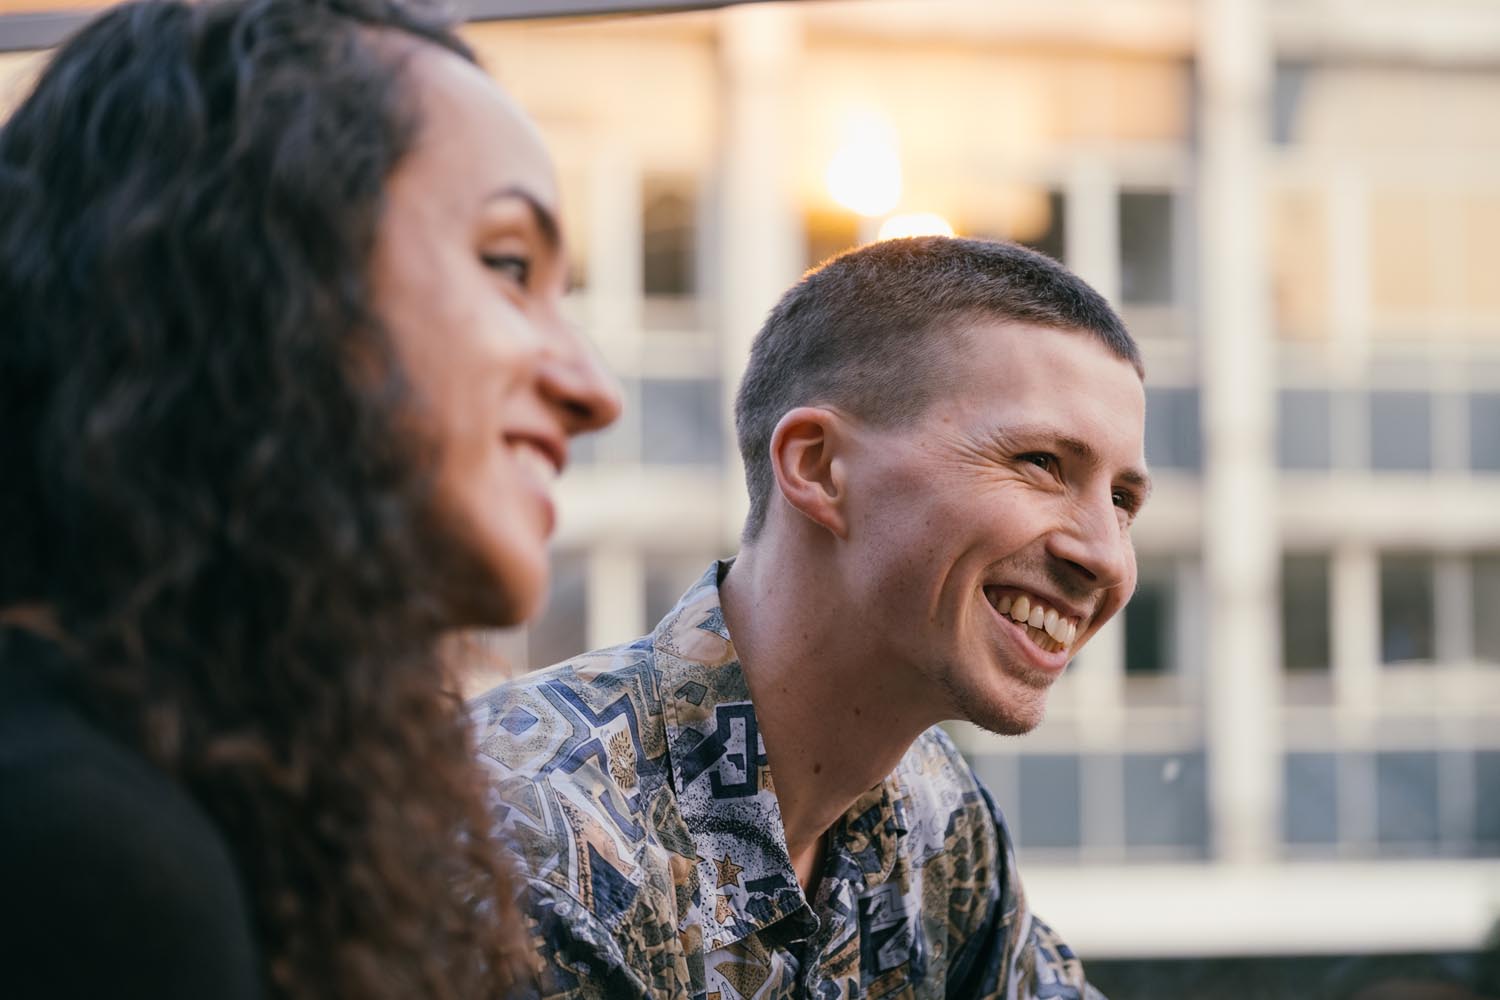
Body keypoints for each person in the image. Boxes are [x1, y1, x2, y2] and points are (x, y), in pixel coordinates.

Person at [0, 1, 619, 997]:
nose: (595, 389)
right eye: (509, 265)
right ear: (248, 272)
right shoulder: (80, 856)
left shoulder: (246, 785)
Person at [474, 235, 1148, 999]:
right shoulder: (527, 841)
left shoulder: (936, 813)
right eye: (1042, 464)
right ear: (818, 466)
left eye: (1122, 500)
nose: (1108, 558)